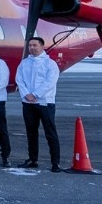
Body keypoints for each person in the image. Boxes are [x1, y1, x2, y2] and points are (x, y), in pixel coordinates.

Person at [16, 36, 62, 172]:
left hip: (45, 102)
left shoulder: (50, 64)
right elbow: (19, 80)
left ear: (42, 46)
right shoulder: (24, 63)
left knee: (50, 133)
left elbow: (50, 82)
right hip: (28, 103)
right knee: (31, 132)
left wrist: (35, 94)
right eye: (30, 45)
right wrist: (27, 95)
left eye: (35, 45)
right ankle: (32, 159)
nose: (32, 48)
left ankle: (55, 162)